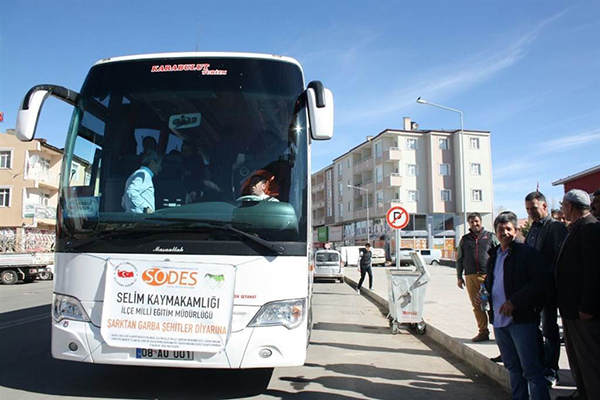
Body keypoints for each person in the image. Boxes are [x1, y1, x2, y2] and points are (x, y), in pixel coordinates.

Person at [480, 211, 550, 400]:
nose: (504, 233)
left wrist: (515, 302)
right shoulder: (494, 255)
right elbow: (492, 281)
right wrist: (484, 291)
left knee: (531, 370)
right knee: (512, 367)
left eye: (508, 229)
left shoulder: (528, 254)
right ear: (495, 232)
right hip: (499, 322)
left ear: (516, 230)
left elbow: (540, 282)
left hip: (521, 321)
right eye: (500, 229)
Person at [554, 189, 600, 400]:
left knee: (589, 360)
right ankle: (582, 393)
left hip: (583, 311)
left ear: (569, 206)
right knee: (577, 359)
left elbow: (594, 271)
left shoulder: (590, 228)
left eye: (563, 205)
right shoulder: (576, 228)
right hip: (571, 308)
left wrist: (587, 305)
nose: (562, 209)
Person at [524, 191, 568, 387]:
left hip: (548, 289)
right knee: (533, 329)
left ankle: (552, 370)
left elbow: (561, 259)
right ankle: (540, 365)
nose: (530, 212)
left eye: (533, 208)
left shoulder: (555, 227)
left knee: (549, 330)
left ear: (544, 206)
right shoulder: (532, 229)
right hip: (532, 289)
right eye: (527, 209)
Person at [456, 212, 500, 342]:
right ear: (469, 224)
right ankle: (483, 332)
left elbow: (499, 255)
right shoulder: (465, 240)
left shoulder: (490, 237)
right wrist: (459, 277)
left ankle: (499, 332)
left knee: (493, 304)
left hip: (488, 276)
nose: (475, 224)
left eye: (476, 221)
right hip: (470, 276)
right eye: (472, 222)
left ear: (480, 221)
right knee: (477, 306)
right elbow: (459, 259)